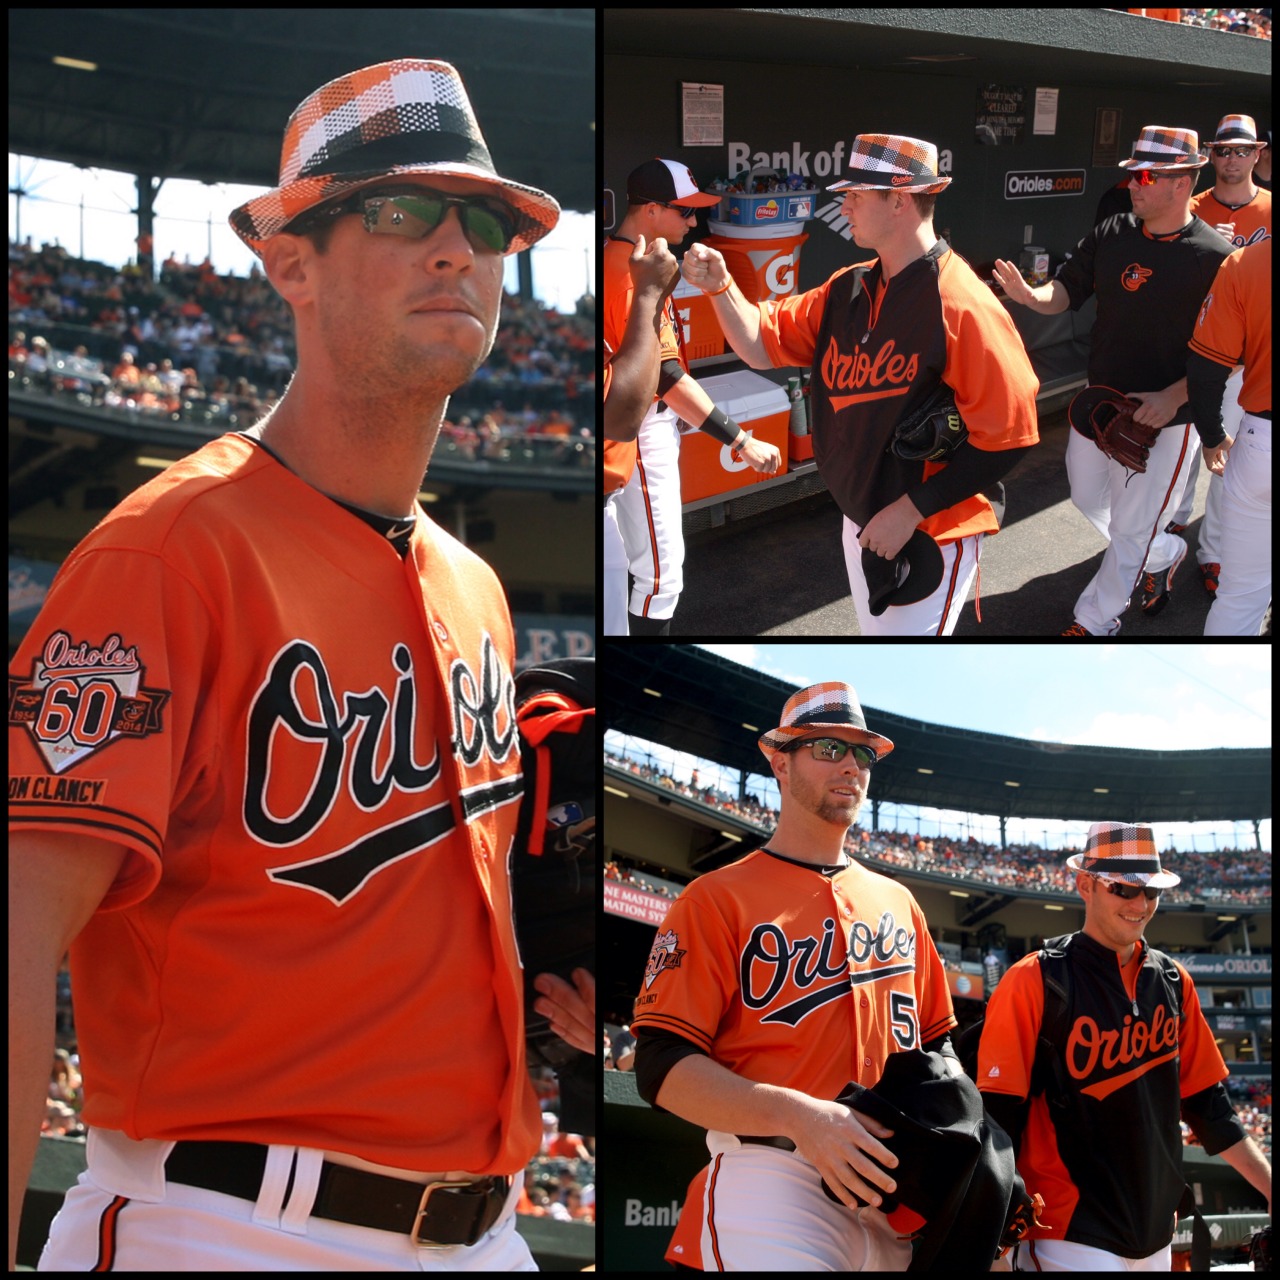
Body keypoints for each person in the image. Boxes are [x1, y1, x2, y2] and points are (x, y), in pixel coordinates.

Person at [9, 58, 573, 1272]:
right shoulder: (164, 552)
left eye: (480, 222)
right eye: (395, 210)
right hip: (221, 1222)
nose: (452, 247)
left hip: (487, 1227)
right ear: (290, 263)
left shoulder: (475, 588)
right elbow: (13, 935)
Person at [631, 682, 956, 1270]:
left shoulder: (900, 902)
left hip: (899, 1196)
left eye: (863, 754)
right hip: (775, 1174)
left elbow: (940, 1049)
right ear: (779, 761)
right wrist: (799, 1116)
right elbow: (660, 1067)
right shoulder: (715, 898)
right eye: (829, 748)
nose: (852, 766)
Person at [682, 134, 1039, 636]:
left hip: (930, 527)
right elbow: (760, 344)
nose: (843, 202)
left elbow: (1010, 436)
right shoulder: (847, 287)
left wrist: (908, 512)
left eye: (857, 193)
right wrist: (719, 288)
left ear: (899, 200)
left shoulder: (962, 304)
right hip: (864, 518)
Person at [977, 823, 1272, 1270]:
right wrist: (994, 1239)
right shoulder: (1035, 979)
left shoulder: (1174, 981)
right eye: (1123, 889)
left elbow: (1210, 1109)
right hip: (1066, 1232)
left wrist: (1270, 1186)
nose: (1140, 905)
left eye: (1151, 893)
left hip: (1157, 1231)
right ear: (1085, 885)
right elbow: (999, 1119)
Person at [994, 125, 1233, 635]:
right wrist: (1030, 296)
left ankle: (1096, 619)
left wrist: (1174, 397)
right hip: (1099, 401)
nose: (1134, 185)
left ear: (1184, 181)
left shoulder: (1215, 257)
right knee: (1087, 498)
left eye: (1146, 176)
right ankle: (1162, 550)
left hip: (1168, 418)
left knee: (1129, 528)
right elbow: (1066, 292)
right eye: (1132, 176)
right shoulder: (1113, 232)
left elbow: (1230, 352)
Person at [605, 158, 781, 637]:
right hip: (638, 428)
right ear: (653, 209)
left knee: (627, 570)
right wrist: (740, 440)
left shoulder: (637, 261)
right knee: (659, 578)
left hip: (643, 424)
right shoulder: (624, 273)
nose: (693, 220)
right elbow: (663, 377)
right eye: (684, 211)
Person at [1167, 113, 1272, 599]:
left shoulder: (1272, 211)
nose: (1232, 158)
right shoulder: (1188, 208)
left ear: (1258, 153)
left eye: (1242, 149)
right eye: (1223, 150)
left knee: (1230, 463)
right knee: (1179, 459)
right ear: (1209, 154)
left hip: (1247, 360)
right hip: (1190, 353)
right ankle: (1166, 543)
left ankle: (1214, 552)